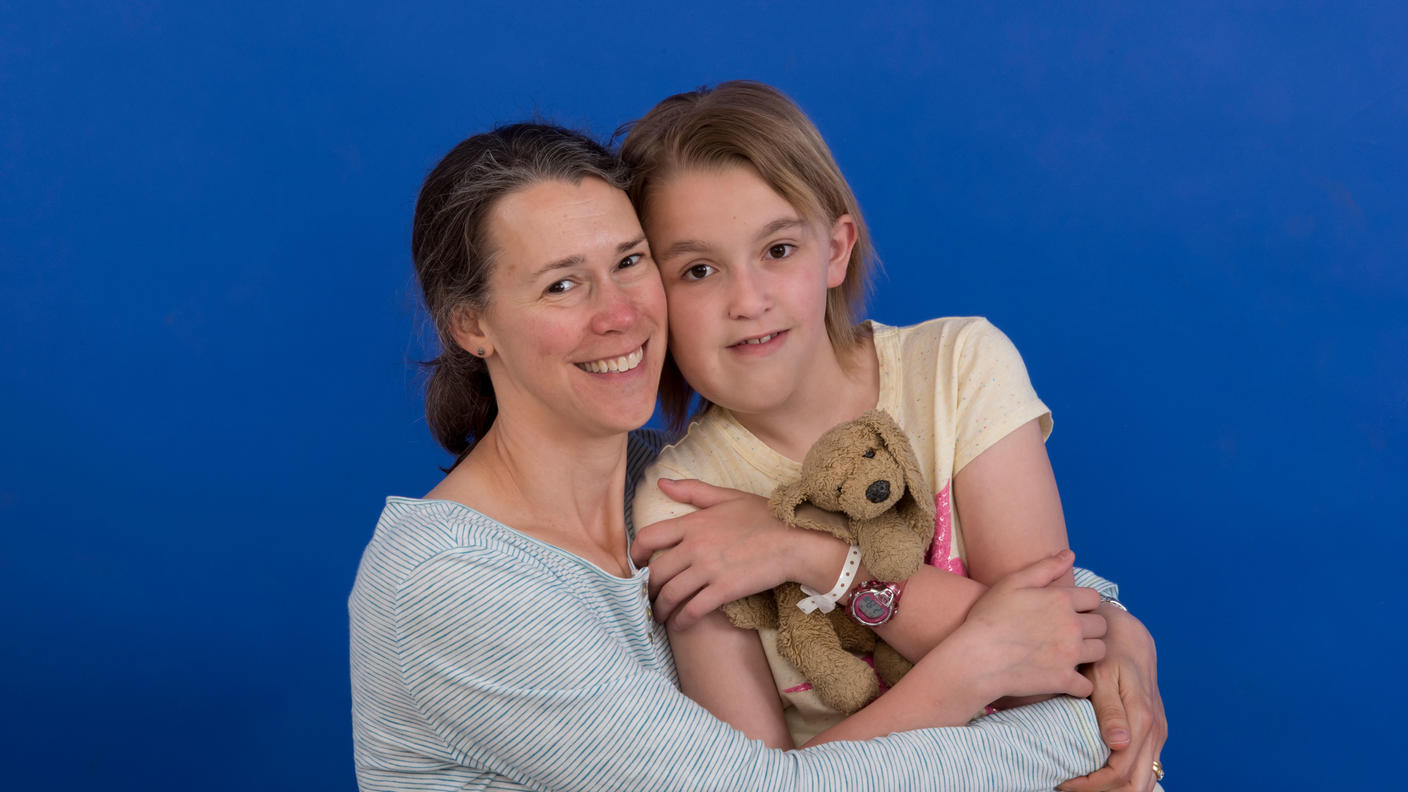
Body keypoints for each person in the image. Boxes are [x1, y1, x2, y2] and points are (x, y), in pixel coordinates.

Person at [349, 122, 1125, 791]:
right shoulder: (450, 582)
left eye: (628, 262)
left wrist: (1122, 638)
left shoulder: (670, 479)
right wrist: (1028, 694)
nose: (618, 315)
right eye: (561, 286)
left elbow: (1044, 603)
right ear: (472, 326)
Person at [621, 81, 1166, 789]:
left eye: (779, 249)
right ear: (653, 296)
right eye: (698, 270)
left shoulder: (958, 367)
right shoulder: (678, 505)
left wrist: (812, 556)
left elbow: (1050, 654)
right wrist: (970, 668)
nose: (747, 300)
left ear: (836, 250)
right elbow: (756, 783)